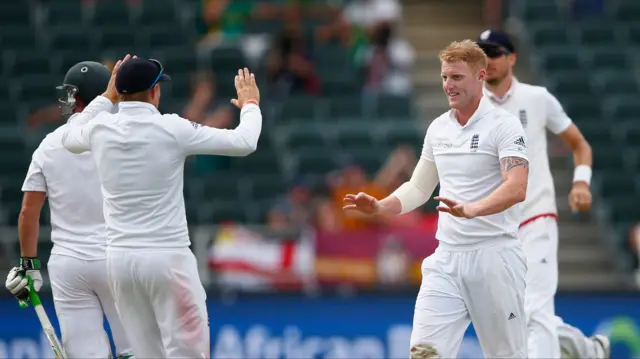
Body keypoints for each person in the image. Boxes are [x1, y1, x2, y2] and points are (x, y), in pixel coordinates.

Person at [60, 58, 262, 358]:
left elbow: (68, 135)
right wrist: (250, 104)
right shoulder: (171, 127)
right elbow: (245, 141)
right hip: (167, 259)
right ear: (154, 91)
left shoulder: (99, 128)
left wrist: (105, 97)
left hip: (120, 263)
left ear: (120, 90)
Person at [343, 39, 530, 358]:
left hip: (495, 258)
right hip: (446, 260)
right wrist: (380, 205)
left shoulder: (505, 125)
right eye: (445, 77)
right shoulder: (438, 129)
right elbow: (418, 188)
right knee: (424, 352)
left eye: (457, 77)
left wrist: (474, 209)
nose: (448, 85)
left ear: (481, 76)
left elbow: (517, 186)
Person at [476, 29, 609, 359]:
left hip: (537, 217)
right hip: (497, 229)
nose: (487, 61)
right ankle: (587, 350)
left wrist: (580, 182)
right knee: (515, 316)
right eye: (481, 54)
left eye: (494, 53)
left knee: (535, 310)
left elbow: (580, 145)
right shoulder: (470, 105)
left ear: (512, 58)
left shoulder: (537, 99)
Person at [5, 57, 134, 358]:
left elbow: (28, 212)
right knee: (135, 350)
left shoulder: (48, 145)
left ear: (77, 97)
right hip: (115, 256)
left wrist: (29, 264)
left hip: (68, 266)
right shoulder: (122, 137)